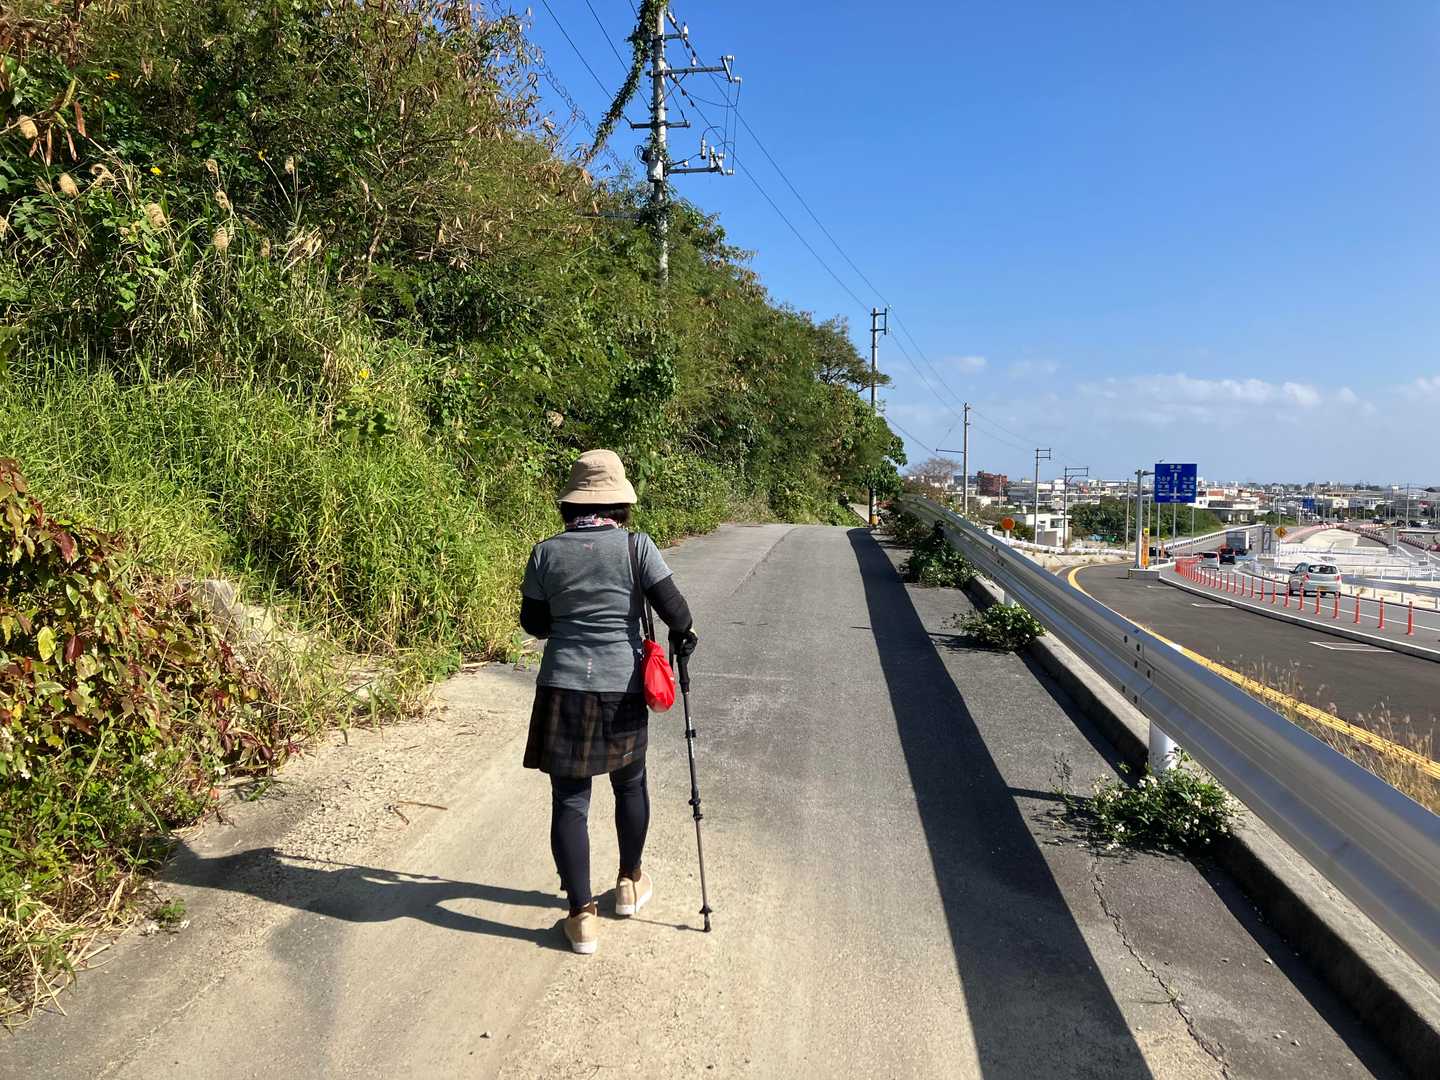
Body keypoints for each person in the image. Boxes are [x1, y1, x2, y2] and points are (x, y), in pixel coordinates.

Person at [519, 449, 698, 954]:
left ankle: (580, 917)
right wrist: (680, 636)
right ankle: (629, 883)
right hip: (621, 689)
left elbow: (534, 624)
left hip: (563, 688)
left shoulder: (545, 553)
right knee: (630, 783)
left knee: (570, 800)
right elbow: (678, 614)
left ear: (571, 503)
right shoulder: (637, 548)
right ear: (619, 501)